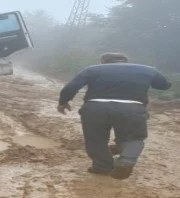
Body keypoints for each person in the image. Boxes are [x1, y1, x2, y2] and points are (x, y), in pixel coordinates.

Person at [57, 52, 172, 180]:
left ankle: (102, 167)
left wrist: (63, 102)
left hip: (95, 107)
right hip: (132, 108)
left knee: (96, 139)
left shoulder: (92, 69)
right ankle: (126, 161)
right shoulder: (148, 70)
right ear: (126, 61)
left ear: (103, 61)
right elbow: (163, 86)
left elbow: (71, 87)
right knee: (133, 138)